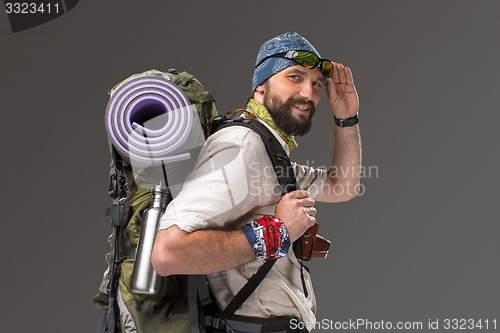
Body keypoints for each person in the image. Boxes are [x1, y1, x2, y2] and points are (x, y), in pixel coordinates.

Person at [152, 32, 362, 332]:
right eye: (294, 77)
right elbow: (168, 253)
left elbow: (343, 186)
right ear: (261, 88)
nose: (309, 93)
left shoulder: (270, 151)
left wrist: (347, 117)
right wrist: (278, 231)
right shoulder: (242, 146)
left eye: (316, 83)